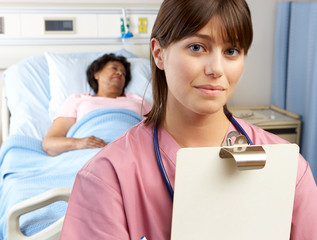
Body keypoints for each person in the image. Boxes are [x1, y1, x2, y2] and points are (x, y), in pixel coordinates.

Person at [60, 0, 317, 239]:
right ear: (159, 53)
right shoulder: (107, 177)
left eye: (231, 51)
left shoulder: (290, 169)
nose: (216, 69)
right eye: (197, 47)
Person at [42, 53, 151, 156]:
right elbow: (49, 144)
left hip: (132, 152)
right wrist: (79, 143)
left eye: (124, 73)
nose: (120, 73)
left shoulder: (138, 101)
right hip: (88, 153)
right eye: (114, 68)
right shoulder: (78, 100)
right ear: (96, 74)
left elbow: (160, 134)